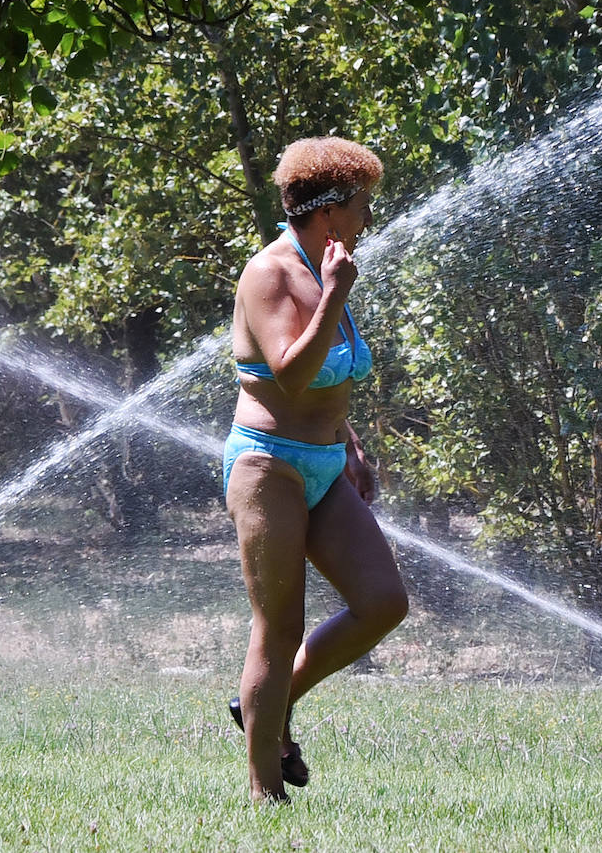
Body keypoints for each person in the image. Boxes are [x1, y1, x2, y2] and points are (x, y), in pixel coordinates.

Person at [222, 136, 409, 802]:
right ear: (330, 210)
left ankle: (263, 710)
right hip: (269, 466)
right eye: (363, 206)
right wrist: (333, 294)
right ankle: (264, 794)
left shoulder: (328, 263)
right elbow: (293, 375)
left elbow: (332, 381)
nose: (368, 219)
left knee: (384, 602)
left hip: (327, 463)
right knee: (280, 629)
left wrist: (351, 443)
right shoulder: (271, 273)